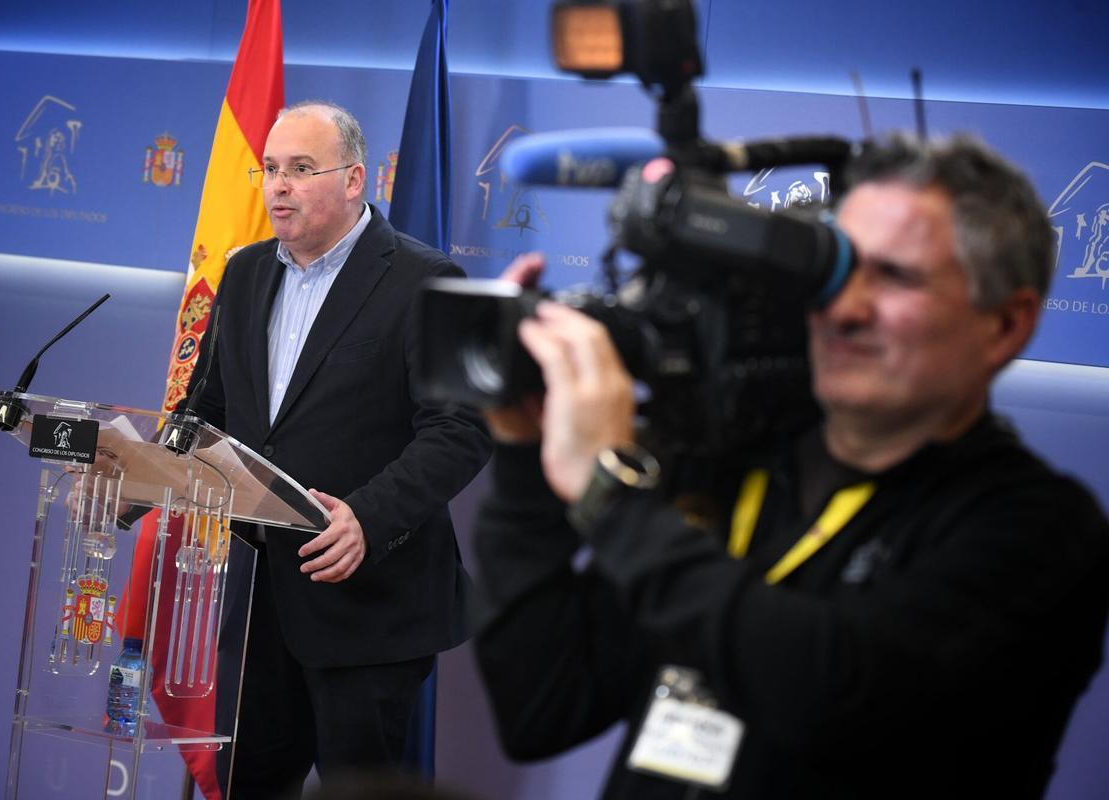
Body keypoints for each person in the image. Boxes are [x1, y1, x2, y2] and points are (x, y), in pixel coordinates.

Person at [471, 133, 1109, 798]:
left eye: (896, 277)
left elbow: (833, 697)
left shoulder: (1039, 528)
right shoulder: (729, 466)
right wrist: (524, 459)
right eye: (836, 269)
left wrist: (613, 497)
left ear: (1006, 325)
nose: (845, 308)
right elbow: (542, 709)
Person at [178, 100, 491, 796]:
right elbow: (209, 409)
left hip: (369, 607)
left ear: (354, 181)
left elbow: (462, 428)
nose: (278, 186)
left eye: (300, 169)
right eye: (270, 169)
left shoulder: (425, 280)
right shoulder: (246, 272)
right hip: (259, 603)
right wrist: (131, 473)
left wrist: (366, 518)